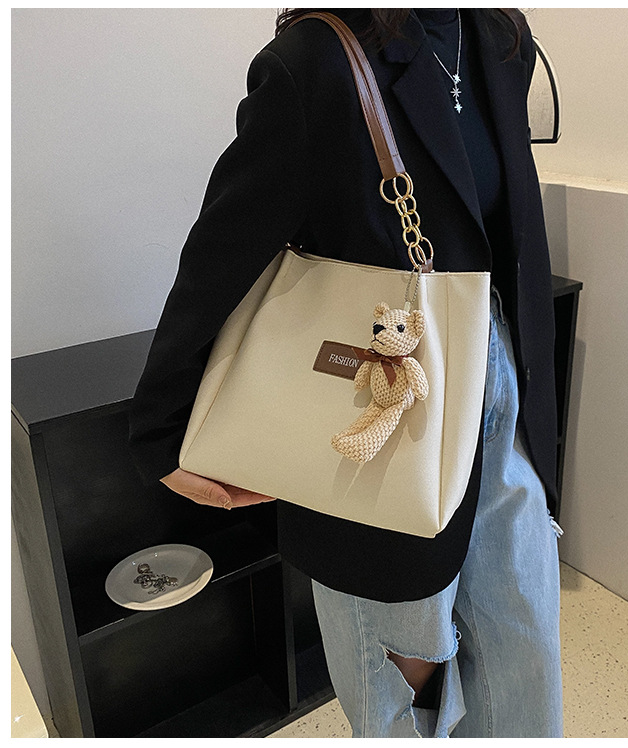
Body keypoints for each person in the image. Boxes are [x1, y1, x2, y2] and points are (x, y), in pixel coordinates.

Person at [129, 8, 564, 738]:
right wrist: (163, 430)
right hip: (379, 404)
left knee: (523, 652)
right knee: (404, 676)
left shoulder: (500, 40)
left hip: (502, 393)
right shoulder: (317, 60)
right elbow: (224, 251)